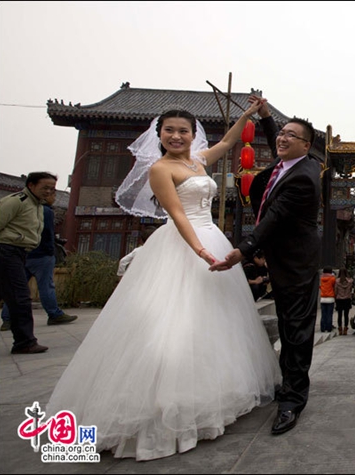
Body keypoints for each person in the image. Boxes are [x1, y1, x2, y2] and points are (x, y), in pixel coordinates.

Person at [46, 100, 281, 461]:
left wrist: (247, 117)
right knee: (171, 322)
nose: (176, 135)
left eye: (183, 130)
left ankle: (209, 392)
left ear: (192, 134)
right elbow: (177, 214)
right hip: (182, 244)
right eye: (169, 130)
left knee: (214, 320)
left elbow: (228, 144)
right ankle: (160, 404)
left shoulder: (197, 160)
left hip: (210, 237)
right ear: (159, 134)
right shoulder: (160, 169)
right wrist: (200, 250)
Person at [210, 96, 322, 436]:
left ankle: (292, 401)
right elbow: (281, 141)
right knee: (288, 327)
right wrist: (267, 117)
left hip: (297, 264)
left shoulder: (303, 177)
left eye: (291, 135)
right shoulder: (291, 162)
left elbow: (272, 218)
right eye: (281, 133)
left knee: (297, 332)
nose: (282, 138)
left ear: (306, 145)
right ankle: (288, 382)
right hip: (281, 258)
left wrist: (243, 250)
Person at [0, 187, 77, 332]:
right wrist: (51, 250)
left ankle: (7, 319)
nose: (54, 198)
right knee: (46, 286)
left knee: (16, 288)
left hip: (23, 253)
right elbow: (46, 233)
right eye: (52, 195)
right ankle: (54, 314)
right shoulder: (45, 211)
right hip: (41, 255)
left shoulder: (27, 208)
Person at [0, 172, 59, 353]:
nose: (49, 192)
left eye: (52, 189)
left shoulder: (38, 206)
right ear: (31, 185)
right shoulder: (17, 201)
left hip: (20, 252)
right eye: (45, 187)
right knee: (20, 297)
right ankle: (24, 342)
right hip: (6, 250)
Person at [334, 267, 353, 335]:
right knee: (346, 314)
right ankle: (345, 328)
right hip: (347, 299)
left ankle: (340, 329)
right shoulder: (350, 281)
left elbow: (335, 291)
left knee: (339, 315)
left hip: (339, 299)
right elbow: (351, 290)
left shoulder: (337, 281)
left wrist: (336, 296)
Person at [319, 267, 336, 333]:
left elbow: (320, 287)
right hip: (330, 297)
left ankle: (322, 327)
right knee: (329, 314)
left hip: (323, 298)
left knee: (323, 314)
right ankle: (328, 328)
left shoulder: (321, 278)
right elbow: (334, 286)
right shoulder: (332, 279)